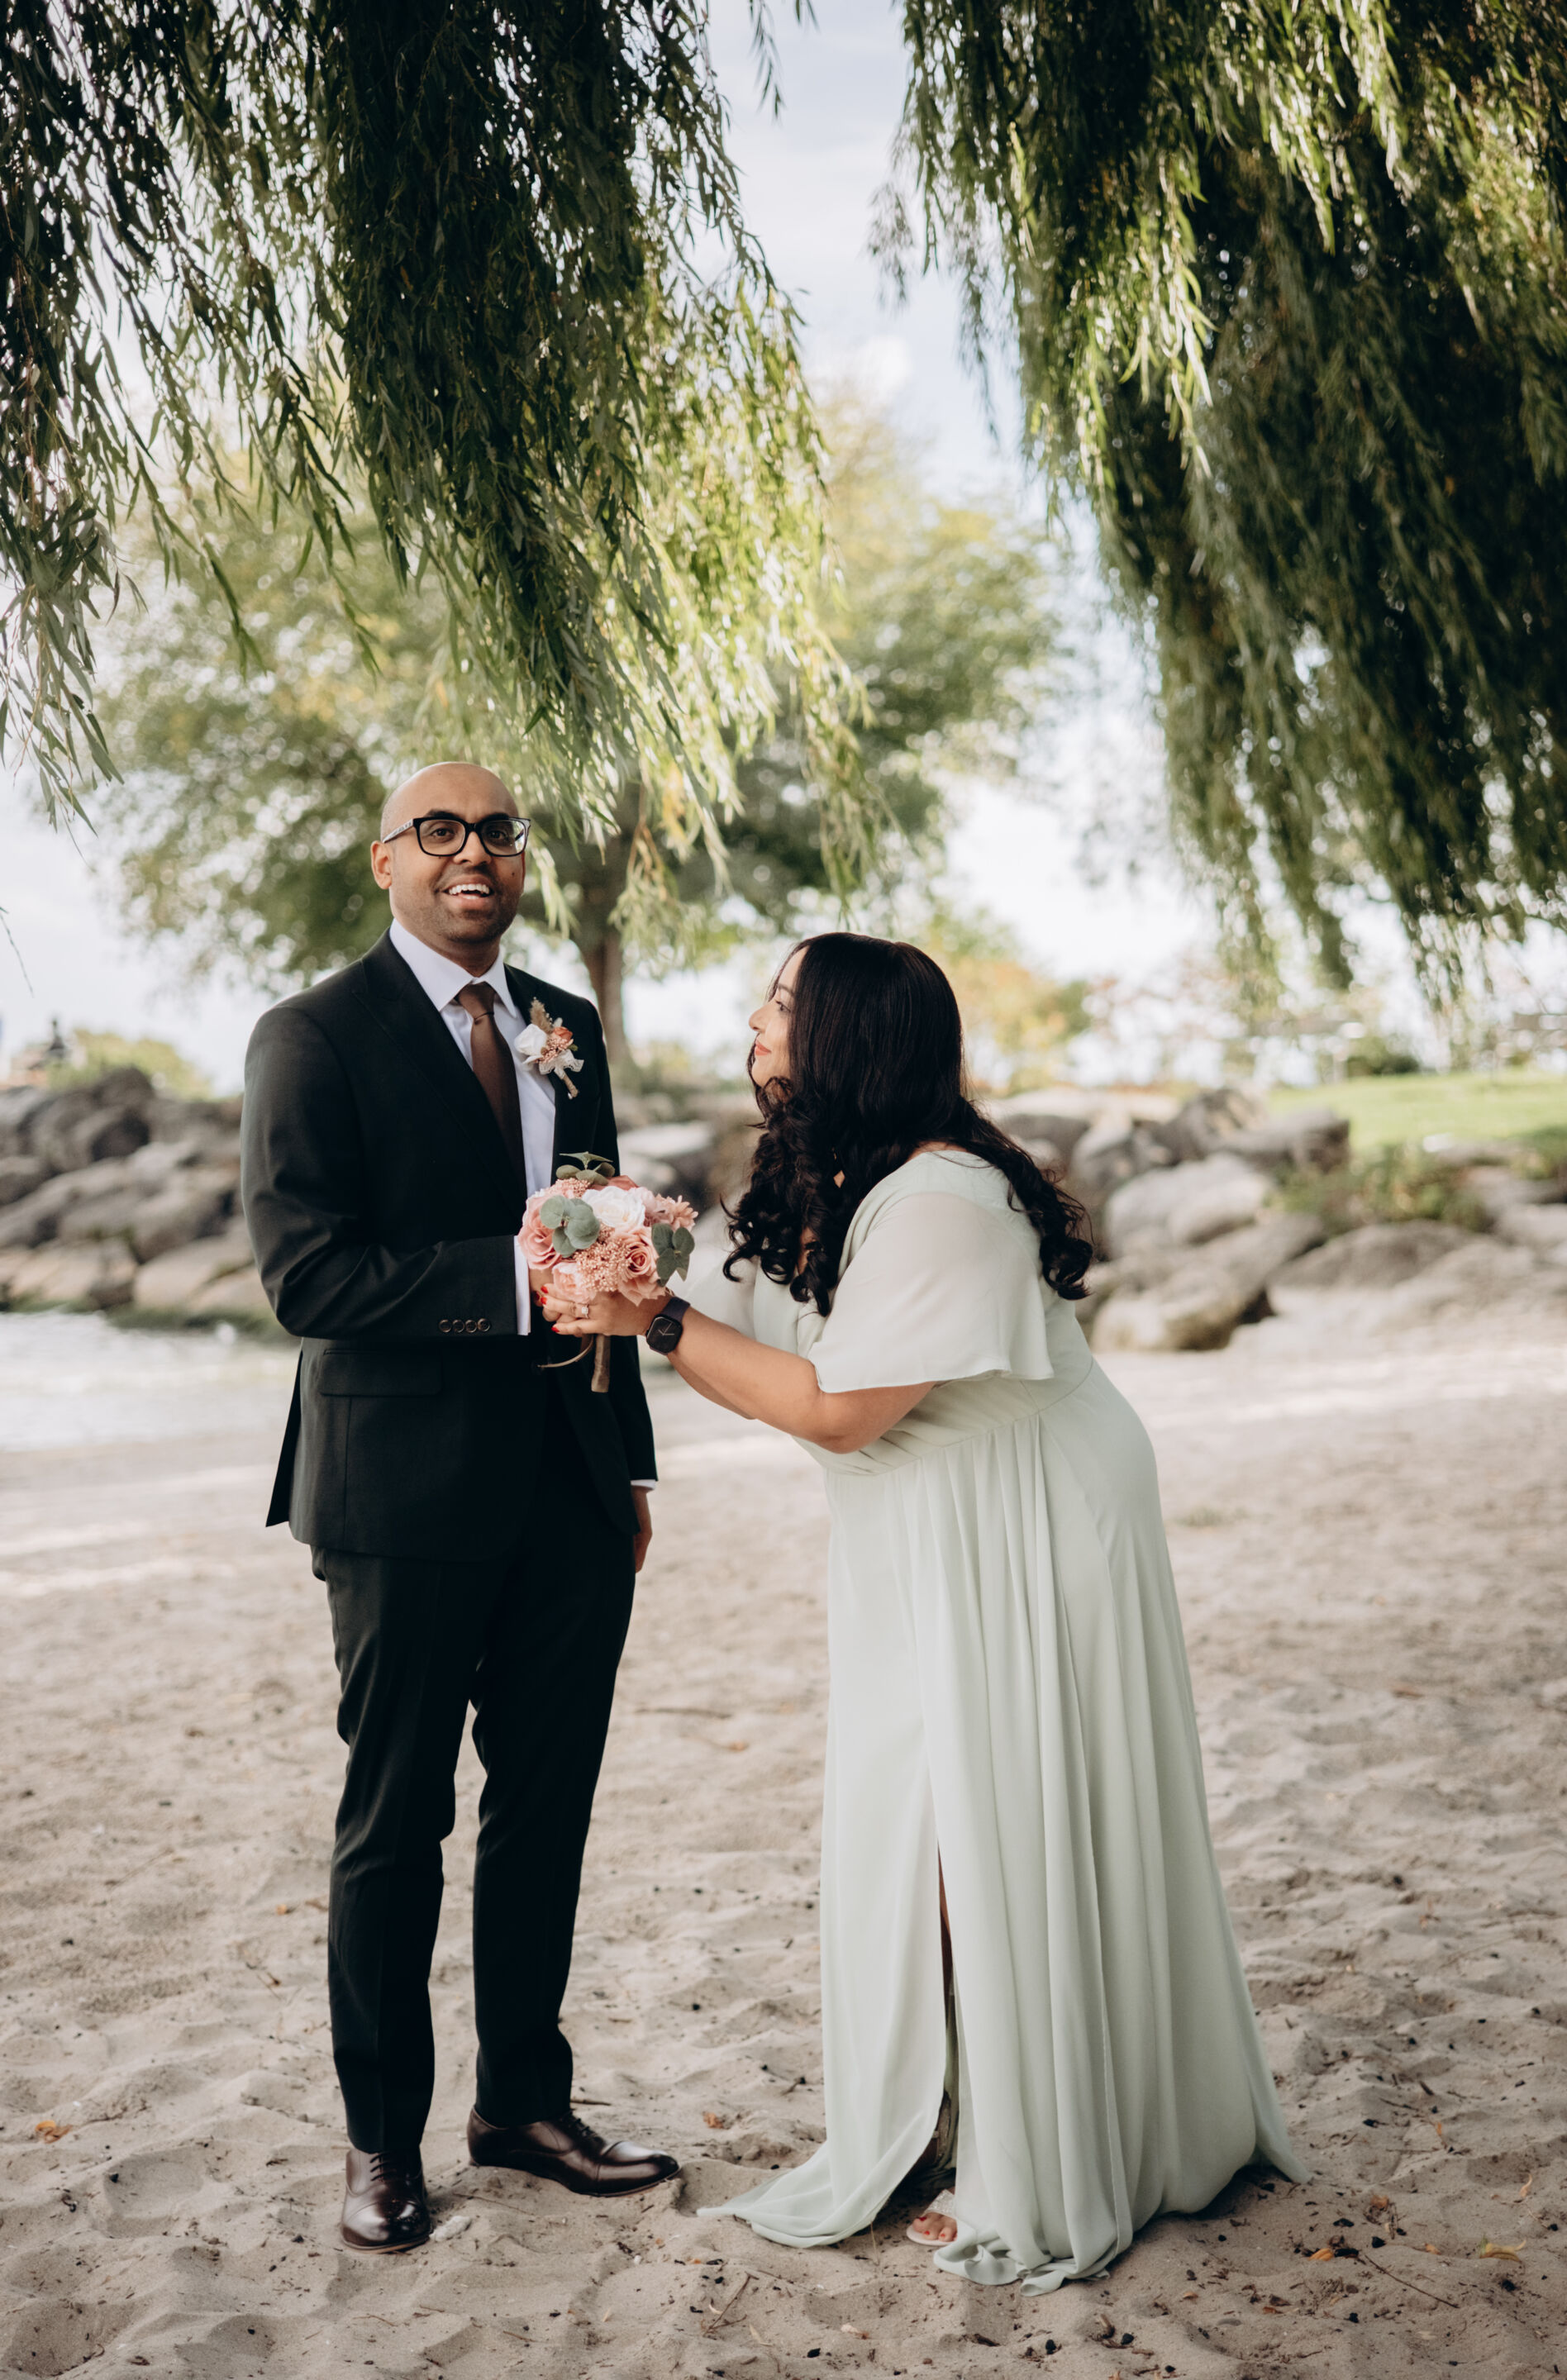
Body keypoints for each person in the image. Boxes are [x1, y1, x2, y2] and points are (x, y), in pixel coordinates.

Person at [540, 931, 1304, 2291]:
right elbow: (740, 1319)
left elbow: (838, 1410)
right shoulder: (837, 1175)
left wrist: (652, 1324)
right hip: (924, 1525)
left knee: (980, 1825)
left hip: (1026, 1521)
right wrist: (608, 1248)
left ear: (848, 1036)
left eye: (782, 1002)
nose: (756, 1019)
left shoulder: (944, 1198)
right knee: (928, 1818)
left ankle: (1023, 2146)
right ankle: (957, 2110)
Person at [241, 762, 679, 2254]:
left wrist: (628, 1462)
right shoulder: (311, 1036)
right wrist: (516, 1277)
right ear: (387, 861)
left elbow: (608, 1245)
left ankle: (523, 2109)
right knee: (396, 1820)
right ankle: (381, 2141)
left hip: (569, 1478)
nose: (472, 852)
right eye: (439, 831)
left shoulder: (567, 1025)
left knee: (546, 1810)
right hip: (398, 1495)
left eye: (498, 830)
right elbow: (308, 1278)